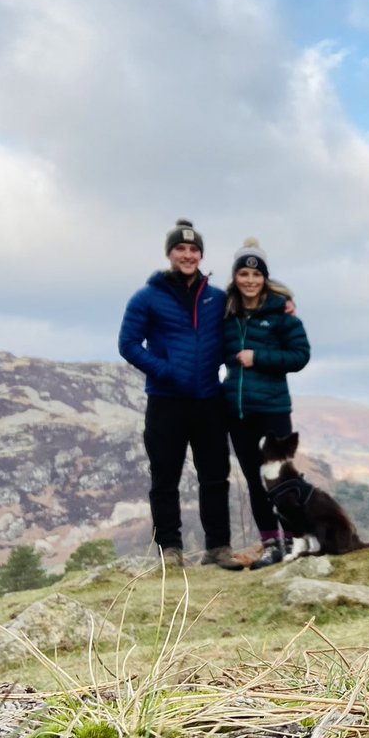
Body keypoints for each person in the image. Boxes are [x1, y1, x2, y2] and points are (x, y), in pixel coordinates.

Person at [118, 218, 233, 567]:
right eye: (180, 249)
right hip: (166, 401)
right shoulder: (147, 297)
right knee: (165, 478)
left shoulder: (216, 298)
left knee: (215, 476)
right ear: (170, 253)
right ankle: (170, 549)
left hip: (209, 400)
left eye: (194, 249)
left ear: (201, 255)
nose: (187, 255)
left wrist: (284, 305)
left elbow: (249, 312)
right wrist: (166, 371)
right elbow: (128, 344)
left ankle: (219, 548)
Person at [221, 238, 311, 570]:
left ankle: (296, 541)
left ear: (265, 278)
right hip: (238, 413)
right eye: (243, 273)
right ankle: (272, 544)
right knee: (255, 480)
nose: (249, 280)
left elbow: (300, 355)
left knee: (281, 478)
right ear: (235, 277)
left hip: (273, 409)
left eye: (256, 274)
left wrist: (258, 357)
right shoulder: (227, 313)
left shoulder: (280, 314)